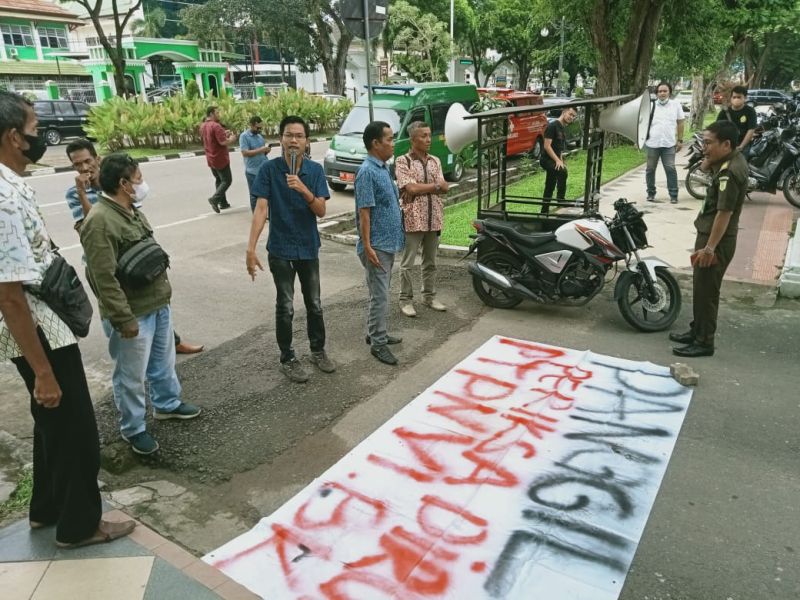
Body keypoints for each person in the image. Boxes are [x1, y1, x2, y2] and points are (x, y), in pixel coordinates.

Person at [0, 90, 135, 548]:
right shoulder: (2, 195)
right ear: (13, 137)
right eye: (36, 132)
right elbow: (10, 296)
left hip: (38, 325)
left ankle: (47, 509)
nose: (42, 140)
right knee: (76, 428)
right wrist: (42, 371)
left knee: (51, 425)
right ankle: (80, 526)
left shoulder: (8, 184)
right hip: (38, 330)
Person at [80, 153, 202, 455]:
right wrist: (124, 319)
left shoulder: (130, 210)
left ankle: (167, 404)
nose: (142, 183)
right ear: (123, 183)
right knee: (131, 376)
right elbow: (102, 278)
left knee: (163, 362)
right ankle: (133, 428)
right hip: (132, 313)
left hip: (157, 302)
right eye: (138, 178)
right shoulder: (99, 222)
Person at [64, 138, 204, 355]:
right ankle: (123, 339)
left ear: (97, 159)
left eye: (87, 161)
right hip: (103, 257)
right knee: (114, 304)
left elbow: (132, 212)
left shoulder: (119, 179)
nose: (84, 168)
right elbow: (88, 227)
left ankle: (170, 342)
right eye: (77, 165)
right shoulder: (76, 194)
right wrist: (83, 194)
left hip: (133, 255)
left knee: (152, 301)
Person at [245, 116, 335, 383]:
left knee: (315, 304)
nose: (293, 140)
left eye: (299, 136)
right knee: (285, 306)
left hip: (308, 248)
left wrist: (304, 190)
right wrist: (251, 248)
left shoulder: (315, 172)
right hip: (281, 249)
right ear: (281, 139)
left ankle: (318, 350)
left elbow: (320, 210)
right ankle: (288, 357)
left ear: (306, 141)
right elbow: (261, 209)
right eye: (288, 135)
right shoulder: (268, 170)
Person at [670, 121, 747, 358]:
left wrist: (710, 248)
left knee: (707, 292)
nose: (704, 147)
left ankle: (704, 342)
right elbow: (706, 169)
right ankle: (697, 331)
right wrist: (708, 160)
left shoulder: (729, 172)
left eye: (709, 143)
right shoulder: (727, 161)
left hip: (716, 241)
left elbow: (724, 213)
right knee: (701, 287)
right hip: (710, 236)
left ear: (726, 144)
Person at [355, 121, 405, 365]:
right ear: (376, 143)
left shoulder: (382, 167)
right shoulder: (367, 172)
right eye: (389, 139)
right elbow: (364, 212)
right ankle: (378, 343)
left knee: (380, 293)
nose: (393, 143)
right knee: (380, 296)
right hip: (376, 246)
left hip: (387, 242)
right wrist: (367, 247)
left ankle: (377, 332)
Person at [395, 120, 448, 317]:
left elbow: (445, 187)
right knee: (408, 263)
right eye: (423, 136)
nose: (428, 139)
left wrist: (422, 188)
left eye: (428, 135)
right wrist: (434, 186)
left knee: (430, 261)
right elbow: (410, 188)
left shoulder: (435, 160)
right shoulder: (403, 161)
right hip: (413, 218)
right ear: (412, 139)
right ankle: (405, 300)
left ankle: (429, 296)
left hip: (434, 217)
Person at [644, 82, 685, 204]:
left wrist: (680, 140)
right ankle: (651, 193)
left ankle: (673, 194)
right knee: (650, 169)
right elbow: (643, 123)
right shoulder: (650, 106)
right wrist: (639, 140)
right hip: (652, 143)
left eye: (665, 91)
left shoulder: (675, 105)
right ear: (656, 93)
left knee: (670, 169)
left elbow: (681, 122)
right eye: (660, 91)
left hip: (669, 144)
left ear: (669, 92)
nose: (662, 93)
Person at [200, 105, 237, 213]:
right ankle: (215, 199)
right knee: (227, 180)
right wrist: (232, 139)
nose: (219, 115)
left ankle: (223, 202)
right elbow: (223, 142)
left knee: (219, 180)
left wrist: (224, 133)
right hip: (220, 158)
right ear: (211, 114)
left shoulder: (203, 126)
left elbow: (212, 138)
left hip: (210, 157)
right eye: (217, 113)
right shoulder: (216, 126)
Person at [540, 107, 577, 214]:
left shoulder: (562, 128)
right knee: (562, 172)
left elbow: (559, 148)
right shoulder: (552, 126)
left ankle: (544, 211)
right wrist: (557, 161)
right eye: (570, 114)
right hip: (546, 160)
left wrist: (561, 160)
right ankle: (560, 199)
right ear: (564, 112)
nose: (572, 117)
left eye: (574, 116)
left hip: (555, 160)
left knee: (550, 184)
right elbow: (547, 146)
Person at [239, 115, 271, 211]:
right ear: (252, 125)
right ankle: (256, 214)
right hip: (252, 171)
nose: (259, 129)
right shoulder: (244, 136)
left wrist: (266, 150)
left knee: (266, 192)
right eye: (258, 127)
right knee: (254, 194)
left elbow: (262, 152)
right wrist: (261, 150)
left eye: (260, 127)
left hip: (263, 168)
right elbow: (245, 153)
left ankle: (266, 212)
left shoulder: (260, 137)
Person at [715, 85, 757, 156]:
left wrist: (741, 146)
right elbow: (717, 128)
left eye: (739, 97)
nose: (736, 99)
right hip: (726, 145)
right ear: (731, 98)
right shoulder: (725, 112)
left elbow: (751, 130)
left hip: (743, 145)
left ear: (745, 98)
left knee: (739, 165)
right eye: (734, 97)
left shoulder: (750, 111)